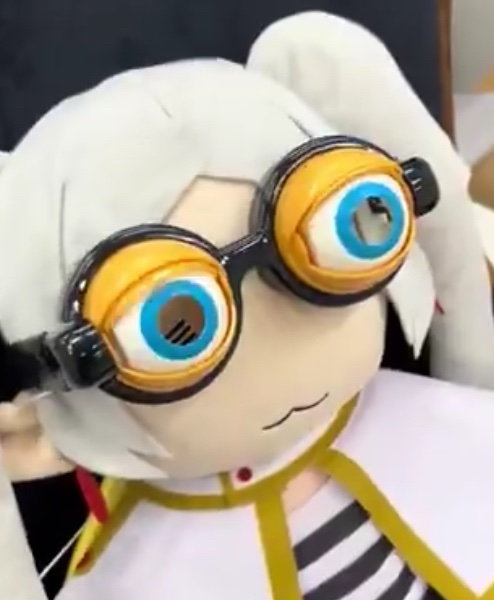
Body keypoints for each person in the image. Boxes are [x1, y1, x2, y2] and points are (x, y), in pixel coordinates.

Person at [1, 13, 494, 600]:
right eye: (176, 326)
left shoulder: (447, 429)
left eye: (343, 230)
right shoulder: (140, 573)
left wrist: (472, 344)